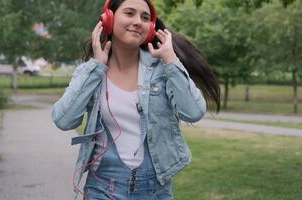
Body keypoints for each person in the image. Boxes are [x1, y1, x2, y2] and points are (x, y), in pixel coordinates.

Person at [52, 0, 220, 199]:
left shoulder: (163, 69)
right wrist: (96, 67)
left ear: (150, 28)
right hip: (102, 187)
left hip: (155, 189)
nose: (138, 21)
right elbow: (63, 120)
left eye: (145, 17)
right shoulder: (91, 72)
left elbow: (194, 113)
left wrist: (171, 59)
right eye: (129, 13)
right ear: (109, 19)